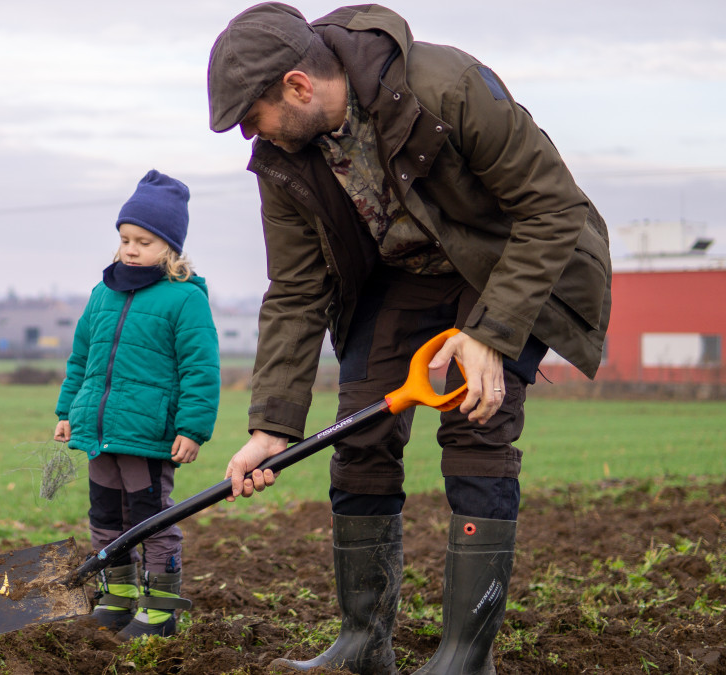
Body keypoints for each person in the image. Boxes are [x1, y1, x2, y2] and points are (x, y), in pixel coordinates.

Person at [206, 4, 612, 674]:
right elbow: (296, 290)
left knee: (477, 420)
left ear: (298, 87)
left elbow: (552, 208)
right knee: (357, 433)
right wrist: (271, 426)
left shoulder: (444, 87)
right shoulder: (283, 161)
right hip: (403, 277)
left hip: (503, 262)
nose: (251, 133)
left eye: (252, 114)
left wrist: (490, 334)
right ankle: (362, 644)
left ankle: (463, 656)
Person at [53, 170, 221, 641]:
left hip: (147, 438)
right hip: (99, 432)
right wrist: (67, 412)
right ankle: (118, 596)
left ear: (169, 247)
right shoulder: (101, 295)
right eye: (125, 238)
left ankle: (160, 608)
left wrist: (192, 428)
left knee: (151, 520)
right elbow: (81, 359)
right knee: (106, 519)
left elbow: (200, 370)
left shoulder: (185, 299)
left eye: (143, 241)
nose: (130, 249)